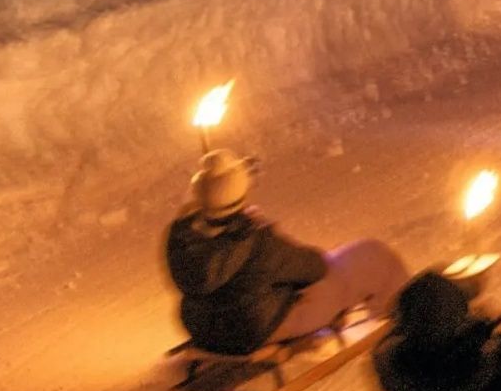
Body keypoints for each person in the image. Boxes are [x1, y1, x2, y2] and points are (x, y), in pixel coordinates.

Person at [165, 148, 409, 355]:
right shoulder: (256, 240)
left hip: (205, 329)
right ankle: (406, 322)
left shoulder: (182, 238)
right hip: (255, 330)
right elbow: (313, 268)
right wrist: (261, 230)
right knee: (367, 256)